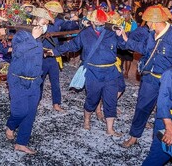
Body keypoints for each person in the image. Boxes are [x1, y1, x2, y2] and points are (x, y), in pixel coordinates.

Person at [51, 8, 126, 136]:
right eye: (97, 24)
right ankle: (86, 120)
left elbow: (125, 46)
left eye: (102, 24)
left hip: (110, 72)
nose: (100, 26)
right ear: (91, 22)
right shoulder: (85, 34)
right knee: (92, 98)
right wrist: (55, 51)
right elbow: (72, 45)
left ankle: (110, 129)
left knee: (111, 100)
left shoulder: (112, 32)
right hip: (93, 72)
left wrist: (123, 35)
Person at [120, 5, 172, 148]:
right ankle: (134, 136)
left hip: (167, 82)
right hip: (150, 78)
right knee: (142, 107)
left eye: (148, 21)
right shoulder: (151, 34)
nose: (146, 24)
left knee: (165, 111)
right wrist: (126, 39)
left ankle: (162, 140)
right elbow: (144, 49)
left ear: (155, 22)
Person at [5, 9, 48, 154]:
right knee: (20, 112)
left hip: (35, 81)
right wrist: (32, 38)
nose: (45, 26)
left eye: (47, 24)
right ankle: (11, 125)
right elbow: (16, 52)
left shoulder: (40, 37)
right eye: (43, 23)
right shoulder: (21, 35)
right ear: (35, 21)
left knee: (30, 114)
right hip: (18, 80)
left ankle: (21, 143)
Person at [41, 1, 65, 111]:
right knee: (39, 81)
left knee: (55, 81)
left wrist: (52, 21)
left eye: (55, 12)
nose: (53, 13)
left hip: (53, 56)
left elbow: (66, 26)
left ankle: (56, 103)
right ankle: (36, 101)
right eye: (52, 12)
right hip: (42, 56)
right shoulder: (40, 20)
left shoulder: (58, 21)